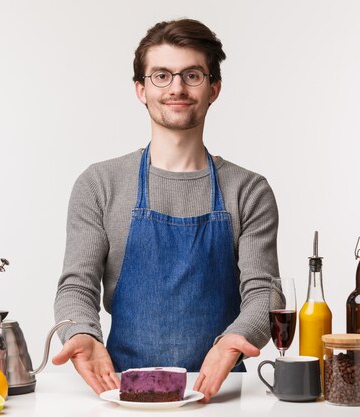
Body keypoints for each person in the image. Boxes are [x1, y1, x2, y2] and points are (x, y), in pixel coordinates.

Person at [52, 18, 280, 402]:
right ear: (140, 90)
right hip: (121, 389)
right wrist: (81, 334)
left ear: (214, 88)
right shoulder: (99, 184)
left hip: (221, 392)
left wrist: (235, 341)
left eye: (192, 75)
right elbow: (76, 285)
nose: (176, 87)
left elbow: (265, 291)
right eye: (161, 75)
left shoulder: (249, 190)